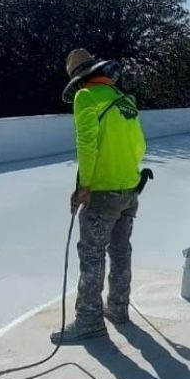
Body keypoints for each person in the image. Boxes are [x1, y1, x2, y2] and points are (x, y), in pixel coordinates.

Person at [52, 48, 147, 343]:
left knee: (92, 256)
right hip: (130, 189)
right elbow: (140, 147)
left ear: (80, 79)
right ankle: (118, 309)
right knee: (120, 251)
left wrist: (84, 187)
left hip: (103, 192)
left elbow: (87, 145)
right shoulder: (125, 102)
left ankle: (89, 320)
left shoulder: (86, 98)